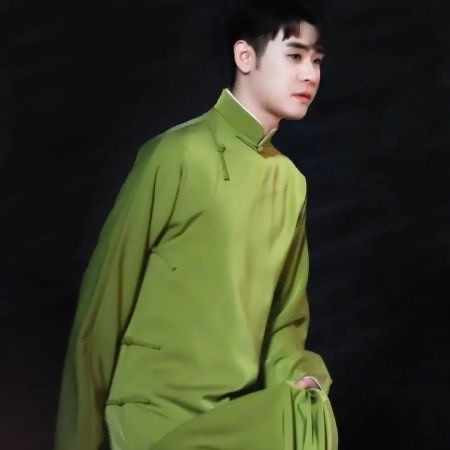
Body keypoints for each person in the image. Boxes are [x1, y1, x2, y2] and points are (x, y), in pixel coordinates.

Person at [54, 1, 337, 449]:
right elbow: (101, 312)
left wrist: (301, 379)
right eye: (295, 56)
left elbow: (284, 326)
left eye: (316, 61)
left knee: (309, 417)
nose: (310, 75)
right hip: (151, 416)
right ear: (245, 56)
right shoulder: (176, 155)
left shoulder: (290, 184)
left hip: (232, 419)